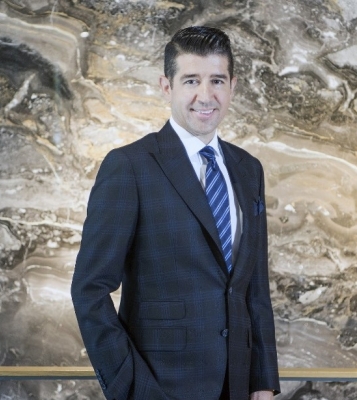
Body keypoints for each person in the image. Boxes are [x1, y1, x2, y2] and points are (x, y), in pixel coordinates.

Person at [71, 26, 281, 400]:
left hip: (237, 387)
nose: (206, 95)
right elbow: (89, 290)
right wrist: (132, 388)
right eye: (191, 81)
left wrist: (263, 384)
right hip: (160, 388)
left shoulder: (249, 170)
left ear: (232, 86)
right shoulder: (130, 167)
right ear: (166, 87)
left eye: (217, 80)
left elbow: (255, 290)